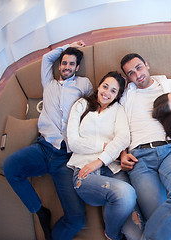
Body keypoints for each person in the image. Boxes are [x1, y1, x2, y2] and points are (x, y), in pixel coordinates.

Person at [3, 41, 93, 240]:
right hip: (44, 148)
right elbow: (46, 58)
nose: (67, 67)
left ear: (77, 68)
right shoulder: (49, 83)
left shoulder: (83, 84)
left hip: (67, 160)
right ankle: (40, 211)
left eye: (71, 64)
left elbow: (92, 108)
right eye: (64, 63)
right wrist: (68, 45)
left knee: (77, 220)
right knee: (10, 167)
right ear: (59, 65)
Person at [119, 53, 171, 240]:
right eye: (131, 73)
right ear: (128, 77)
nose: (137, 74)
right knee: (163, 223)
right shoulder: (126, 95)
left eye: (139, 67)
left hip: (169, 151)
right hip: (139, 158)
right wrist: (122, 153)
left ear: (147, 65)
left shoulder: (166, 84)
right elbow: (117, 127)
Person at [66, 71, 143, 240]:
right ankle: (112, 235)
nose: (106, 93)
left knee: (137, 234)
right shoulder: (81, 104)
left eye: (113, 91)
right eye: (105, 87)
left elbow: (123, 138)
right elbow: (73, 142)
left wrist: (99, 161)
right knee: (126, 193)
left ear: (117, 96)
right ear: (99, 86)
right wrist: (104, 146)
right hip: (84, 170)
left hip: (112, 169)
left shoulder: (118, 110)